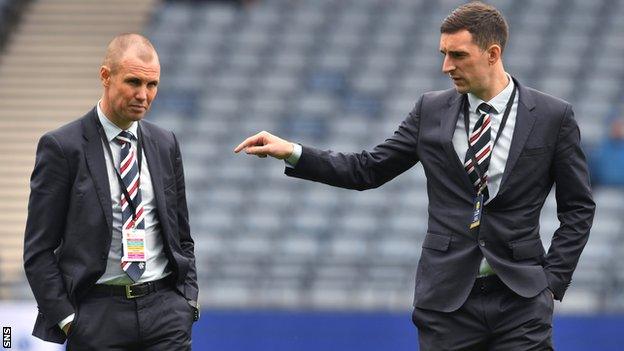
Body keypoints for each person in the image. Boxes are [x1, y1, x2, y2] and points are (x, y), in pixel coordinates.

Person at [235, 2, 595, 350]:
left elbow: (578, 206)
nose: (445, 66)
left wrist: (551, 282)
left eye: (457, 55)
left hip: (521, 299)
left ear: (493, 53)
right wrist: (294, 152)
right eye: (444, 53)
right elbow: (368, 169)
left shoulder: (552, 116)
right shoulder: (430, 110)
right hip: (447, 302)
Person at [23, 33, 199, 350]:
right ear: (106, 76)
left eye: (152, 85)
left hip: (165, 314)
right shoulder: (62, 147)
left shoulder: (165, 143)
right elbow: (38, 251)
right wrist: (67, 318)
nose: (143, 95)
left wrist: (187, 301)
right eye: (133, 82)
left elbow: (181, 234)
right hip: (97, 316)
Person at [589, 117, 624, 186]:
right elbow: (594, 172)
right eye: (615, 127)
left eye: (620, 127)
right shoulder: (601, 148)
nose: (617, 130)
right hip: (603, 188)